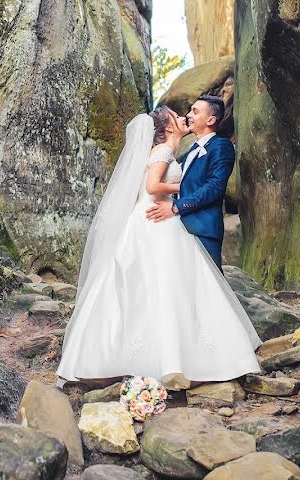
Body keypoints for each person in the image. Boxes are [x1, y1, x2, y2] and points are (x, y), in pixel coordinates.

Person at [55, 106, 261, 384]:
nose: (184, 117)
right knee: (162, 283)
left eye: (191, 112)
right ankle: (170, 358)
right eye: (179, 116)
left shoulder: (180, 152)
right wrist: (183, 189)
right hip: (155, 219)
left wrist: (179, 197)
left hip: (163, 217)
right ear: (168, 128)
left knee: (167, 283)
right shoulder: (163, 151)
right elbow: (152, 187)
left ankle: (171, 354)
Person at [145, 95, 232, 270]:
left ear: (210, 119)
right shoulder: (189, 151)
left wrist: (176, 207)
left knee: (210, 286)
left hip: (203, 228)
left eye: (195, 111)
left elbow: (214, 187)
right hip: (179, 227)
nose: (188, 115)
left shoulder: (221, 146)